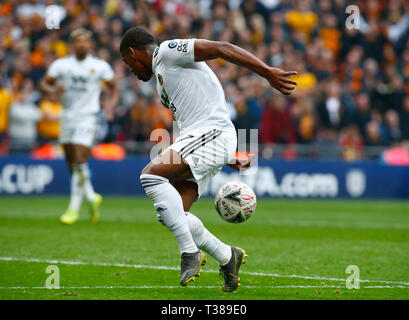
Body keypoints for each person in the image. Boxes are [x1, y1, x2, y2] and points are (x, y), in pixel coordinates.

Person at [120, 27, 297, 292]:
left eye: (126, 62)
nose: (130, 69)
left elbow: (222, 47)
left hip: (213, 133)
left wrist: (266, 72)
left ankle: (189, 253)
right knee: (173, 213)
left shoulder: (168, 52)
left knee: (150, 176)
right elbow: (194, 115)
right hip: (203, 141)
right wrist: (224, 157)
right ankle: (227, 256)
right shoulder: (161, 80)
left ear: (133, 53)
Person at [40, 28, 119, 224]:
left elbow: (114, 88)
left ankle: (73, 209)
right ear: (72, 44)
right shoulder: (61, 65)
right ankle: (92, 197)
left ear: (90, 44)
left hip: (89, 116)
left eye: (85, 41)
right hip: (67, 116)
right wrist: (53, 89)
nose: (82, 44)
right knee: (71, 163)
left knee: (78, 155)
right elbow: (44, 84)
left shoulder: (99, 66)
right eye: (78, 41)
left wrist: (109, 107)